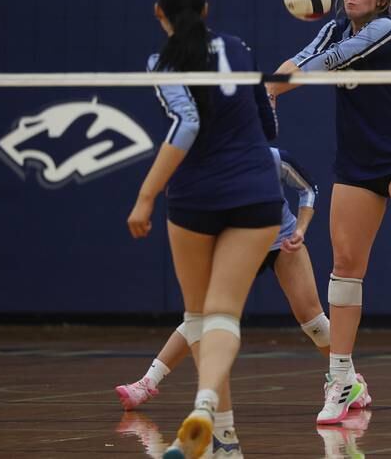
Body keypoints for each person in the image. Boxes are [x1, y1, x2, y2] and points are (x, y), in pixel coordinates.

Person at [266, 0, 391, 425]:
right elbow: (299, 60)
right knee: (346, 268)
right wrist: (266, 92)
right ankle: (342, 380)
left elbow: (325, 63)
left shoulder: (384, 29)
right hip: (357, 163)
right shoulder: (331, 30)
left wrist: (288, 81)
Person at [128, 0, 283, 459]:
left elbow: (187, 122)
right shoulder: (239, 47)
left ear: (160, 14)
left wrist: (146, 195)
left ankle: (215, 421)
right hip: (256, 191)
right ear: (207, 9)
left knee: (199, 315)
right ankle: (216, 424)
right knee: (222, 314)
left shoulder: (163, 60)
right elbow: (266, 120)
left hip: (195, 197)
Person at [116, 147, 373, 413]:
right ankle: (146, 383)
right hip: (241, 245)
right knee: (203, 315)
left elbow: (308, 190)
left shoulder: (274, 158)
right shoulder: (210, 163)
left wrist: (300, 229)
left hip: (282, 242)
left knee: (313, 322)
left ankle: (349, 381)